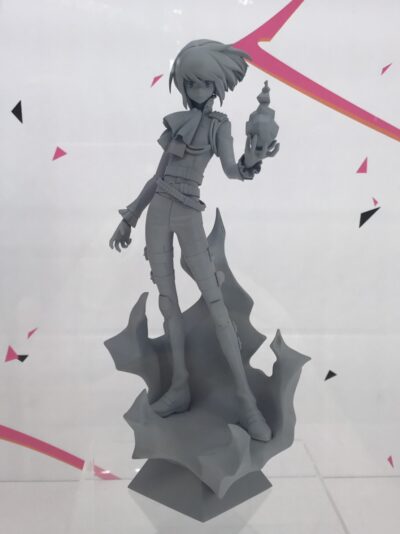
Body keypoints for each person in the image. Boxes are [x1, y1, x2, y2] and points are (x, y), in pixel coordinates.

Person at [109, 40, 279, 441]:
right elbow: (157, 177)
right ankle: (180, 387)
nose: (197, 90)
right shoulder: (176, 124)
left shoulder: (220, 126)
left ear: (217, 85)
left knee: (217, 304)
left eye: (204, 83)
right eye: (191, 83)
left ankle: (247, 402)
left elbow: (232, 170)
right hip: (158, 212)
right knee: (168, 303)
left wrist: (254, 158)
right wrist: (129, 218)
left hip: (188, 213)